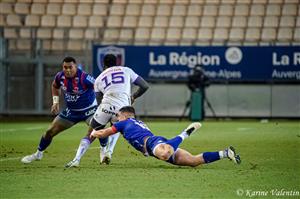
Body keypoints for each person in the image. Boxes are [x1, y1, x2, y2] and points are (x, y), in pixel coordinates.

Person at [65, 54, 149, 168]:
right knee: (122, 130)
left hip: (105, 106)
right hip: (122, 109)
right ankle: (113, 151)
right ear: (117, 62)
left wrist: (104, 112)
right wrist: (133, 97)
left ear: (104, 65)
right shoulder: (127, 70)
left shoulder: (99, 78)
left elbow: (99, 100)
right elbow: (144, 86)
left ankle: (76, 160)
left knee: (90, 134)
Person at [90, 106, 241, 167]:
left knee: (163, 154)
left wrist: (94, 132)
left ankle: (184, 134)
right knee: (194, 161)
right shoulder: (136, 122)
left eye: (118, 115)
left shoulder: (125, 122)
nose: (116, 118)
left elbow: (104, 133)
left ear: (125, 115)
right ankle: (226, 153)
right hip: (156, 143)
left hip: (152, 143)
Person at [21, 56, 97, 164]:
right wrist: (55, 102)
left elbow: (99, 85)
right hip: (72, 111)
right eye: (65, 67)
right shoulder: (60, 76)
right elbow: (55, 86)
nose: (68, 70)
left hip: (89, 110)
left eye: (70, 67)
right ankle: (38, 154)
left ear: (75, 66)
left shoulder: (85, 77)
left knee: (98, 128)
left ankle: (105, 152)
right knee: (49, 132)